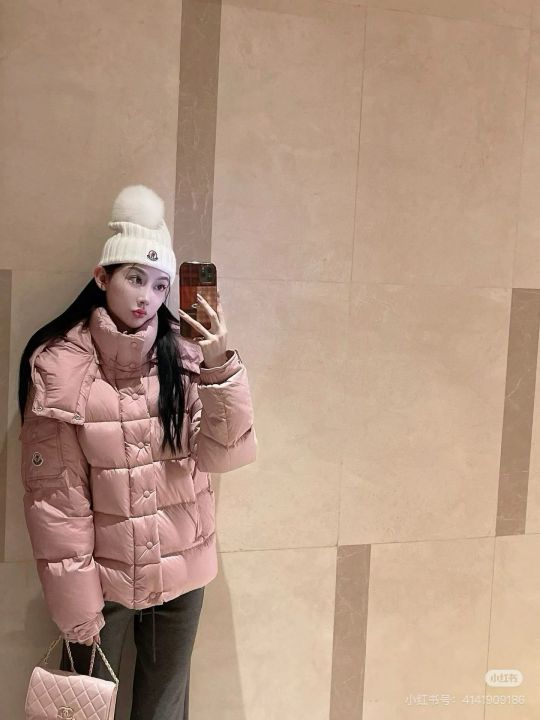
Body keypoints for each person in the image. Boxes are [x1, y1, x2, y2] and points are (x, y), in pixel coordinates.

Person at [18, 184, 258, 719]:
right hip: (101, 589)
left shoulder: (185, 356)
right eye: (134, 277)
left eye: (159, 284)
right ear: (102, 277)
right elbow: (56, 503)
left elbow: (226, 456)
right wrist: (79, 614)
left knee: (164, 713)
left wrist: (218, 360)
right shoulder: (60, 366)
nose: (147, 296)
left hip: (182, 578)